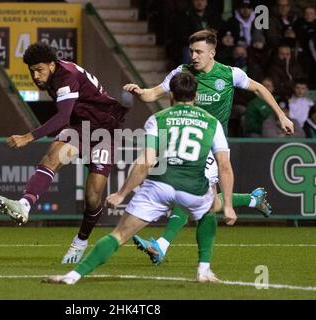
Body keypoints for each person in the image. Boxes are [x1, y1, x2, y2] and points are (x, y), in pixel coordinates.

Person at [46, 72, 237, 285]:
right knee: (208, 211)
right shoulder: (212, 123)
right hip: (193, 188)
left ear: (171, 94)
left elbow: (146, 163)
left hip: (159, 185)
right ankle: (204, 271)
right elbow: (224, 167)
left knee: (119, 235)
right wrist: (228, 205)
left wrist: (122, 193)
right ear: (196, 94)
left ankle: (72, 276)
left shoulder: (158, 119)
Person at [122, 29, 292, 265]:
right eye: (192, 51)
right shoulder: (182, 73)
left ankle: (161, 246)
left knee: (189, 193)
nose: (194, 56)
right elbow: (153, 94)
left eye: (199, 51)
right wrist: (141, 92)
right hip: (190, 145)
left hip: (213, 145)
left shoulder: (229, 74)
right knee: (206, 203)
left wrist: (281, 116)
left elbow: (259, 89)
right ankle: (252, 199)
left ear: (212, 53)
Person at [0, 42, 128, 264]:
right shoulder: (55, 77)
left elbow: (62, 118)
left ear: (52, 66)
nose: (35, 76)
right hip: (79, 128)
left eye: (39, 70)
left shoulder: (66, 77)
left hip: (104, 131)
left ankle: (81, 241)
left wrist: (28, 137)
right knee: (52, 156)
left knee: (93, 197)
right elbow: (69, 119)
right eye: (31, 71)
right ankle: (24, 205)